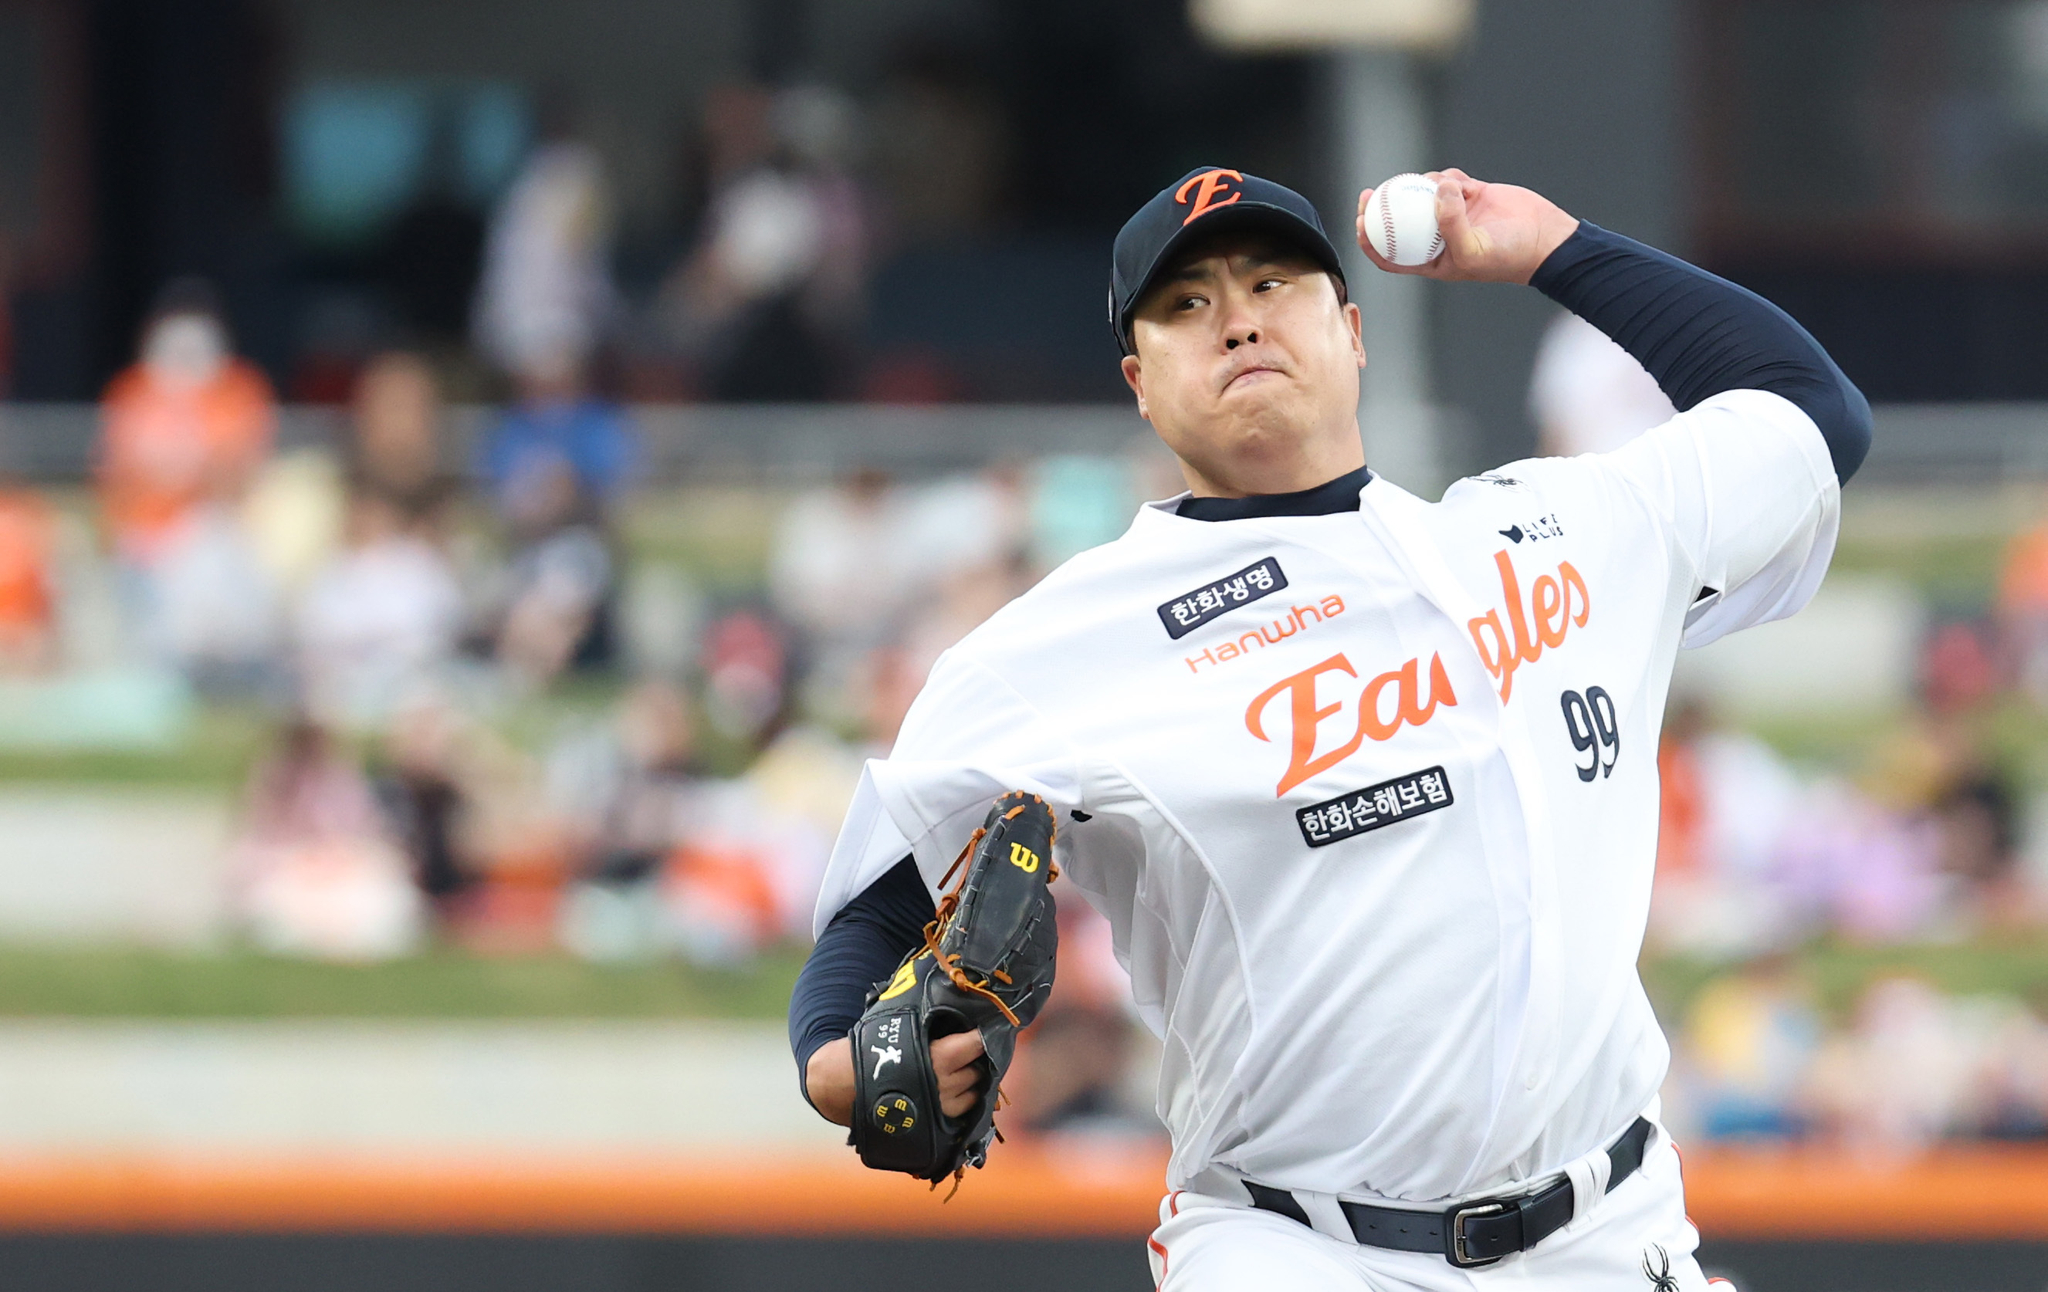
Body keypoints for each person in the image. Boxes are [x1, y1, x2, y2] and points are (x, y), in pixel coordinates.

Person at [788, 165, 1869, 1289]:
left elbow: (1805, 410)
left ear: (1352, 332)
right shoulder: (1060, 646)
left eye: (1271, 281)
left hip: (1611, 1227)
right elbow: (883, 897)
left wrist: (1552, 248)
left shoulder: (1554, 534)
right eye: (1186, 304)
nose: (1239, 316)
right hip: (1293, 1245)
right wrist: (832, 1056)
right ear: (1139, 383)